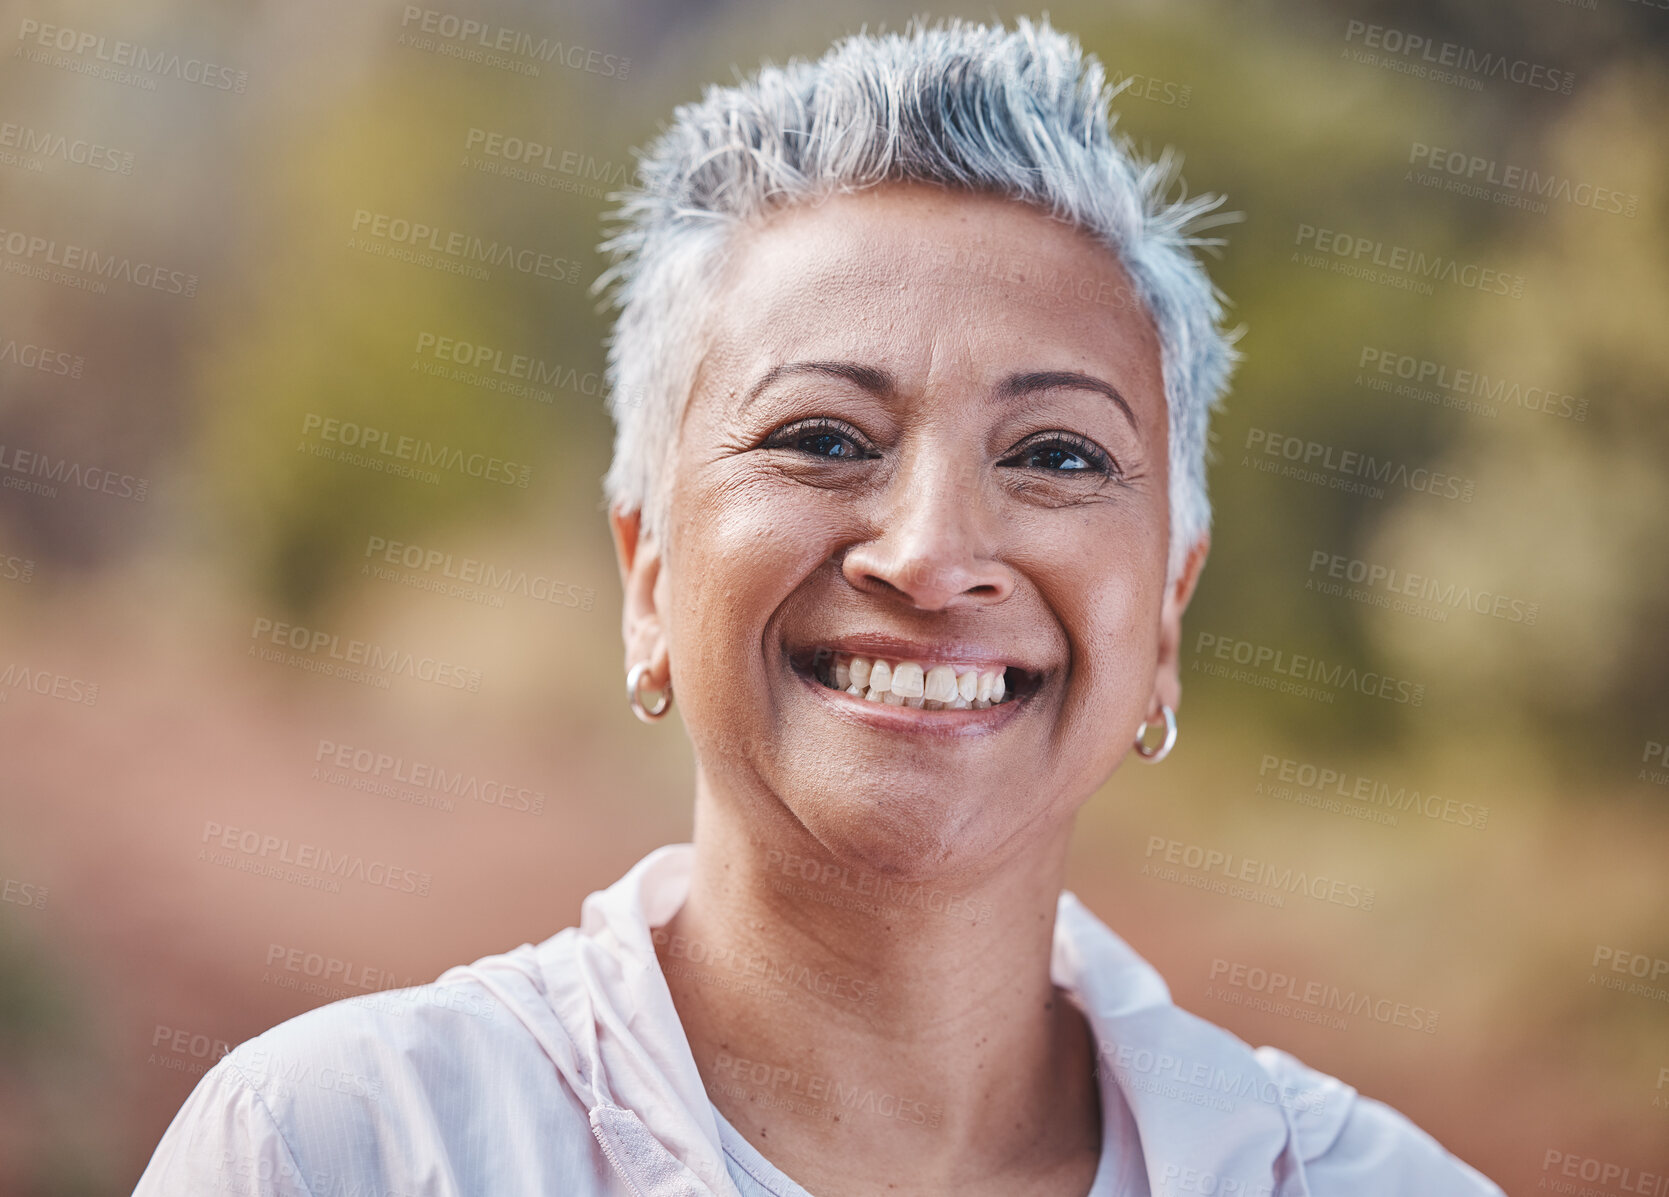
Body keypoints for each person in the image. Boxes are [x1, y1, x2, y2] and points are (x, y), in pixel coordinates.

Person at [134, 17, 1505, 1196]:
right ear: (649, 577)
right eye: (823, 436)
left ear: (1163, 620)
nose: (929, 553)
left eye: (1057, 455)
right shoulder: (340, 1149)